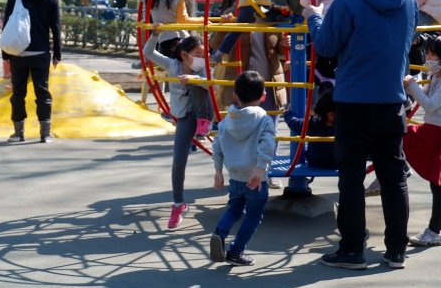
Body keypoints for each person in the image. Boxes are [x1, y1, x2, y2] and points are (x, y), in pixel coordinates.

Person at [305, 0, 417, 270]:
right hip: (392, 100)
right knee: (393, 176)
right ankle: (396, 250)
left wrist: (313, 17)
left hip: (354, 100)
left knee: (351, 177)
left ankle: (353, 249)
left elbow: (325, 45)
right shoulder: (408, 0)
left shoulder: (347, 2)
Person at [143, 28, 211, 229]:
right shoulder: (173, 65)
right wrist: (154, 35)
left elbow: (211, 84)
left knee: (225, 153)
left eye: (203, 55)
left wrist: (195, 79)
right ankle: (178, 203)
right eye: (198, 55)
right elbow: (148, 53)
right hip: (184, 116)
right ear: (185, 55)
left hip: (203, 113)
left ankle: (205, 124)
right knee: (178, 160)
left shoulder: (202, 69)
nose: (201, 59)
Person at [210, 70, 276, 266]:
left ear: (235, 96)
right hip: (256, 178)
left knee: (235, 208)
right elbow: (267, 144)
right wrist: (260, 168)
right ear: (263, 96)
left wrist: (218, 170)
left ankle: (219, 234)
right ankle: (236, 252)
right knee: (254, 215)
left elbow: (217, 145)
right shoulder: (264, 119)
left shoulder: (227, 120)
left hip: (235, 176)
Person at [4, 0, 62, 144]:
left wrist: (5, 54)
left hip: (18, 53)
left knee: (18, 93)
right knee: (42, 92)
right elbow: (56, 27)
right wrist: (57, 53)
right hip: (40, 53)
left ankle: (18, 133)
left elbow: (7, 24)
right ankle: (45, 133)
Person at [402, 36, 441, 247]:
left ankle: (434, 230)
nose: (428, 57)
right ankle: (435, 229)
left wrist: (412, 87)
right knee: (436, 184)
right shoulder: (435, 75)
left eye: (432, 54)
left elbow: (430, 105)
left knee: (437, 184)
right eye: (427, 53)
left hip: (437, 133)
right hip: (432, 130)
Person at [300, 0, 354, 85]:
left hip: (344, 25)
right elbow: (307, 4)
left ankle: (334, 78)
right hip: (325, 25)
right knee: (324, 55)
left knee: (341, 55)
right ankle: (323, 79)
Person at [284, 86, 337, 169]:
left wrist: (287, 113)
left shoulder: (314, 123)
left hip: (315, 162)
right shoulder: (344, 126)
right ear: (330, 115)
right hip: (338, 163)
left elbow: (294, 123)